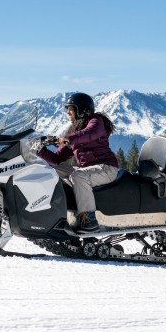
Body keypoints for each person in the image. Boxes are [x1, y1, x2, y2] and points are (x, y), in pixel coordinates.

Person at [38, 92, 119, 233]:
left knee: (78, 176)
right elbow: (56, 158)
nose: (68, 113)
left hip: (105, 168)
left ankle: (89, 221)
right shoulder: (75, 129)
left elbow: (89, 133)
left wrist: (68, 139)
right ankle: (53, 210)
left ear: (81, 109)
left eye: (71, 108)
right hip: (86, 170)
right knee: (51, 170)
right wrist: (40, 150)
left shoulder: (96, 121)